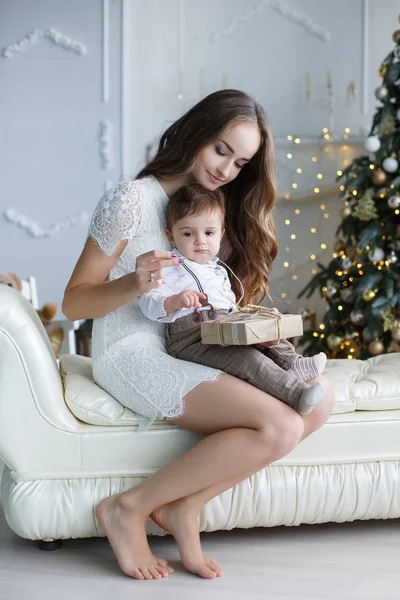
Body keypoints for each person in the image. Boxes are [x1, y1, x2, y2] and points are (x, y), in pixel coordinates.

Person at [62, 89, 335, 582]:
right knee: (281, 424)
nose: (227, 169)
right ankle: (129, 508)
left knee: (318, 402)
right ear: (196, 132)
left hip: (196, 342)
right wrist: (133, 282)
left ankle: (185, 506)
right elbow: (73, 301)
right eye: (221, 151)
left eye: (241, 162)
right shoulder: (131, 200)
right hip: (131, 350)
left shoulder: (212, 208)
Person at [139, 182, 327, 416]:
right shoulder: (169, 266)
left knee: (267, 334)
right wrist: (174, 301)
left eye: (209, 233)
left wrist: (251, 321)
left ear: (221, 234)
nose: (200, 241)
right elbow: (148, 302)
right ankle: (297, 394)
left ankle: (293, 363)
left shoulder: (217, 269)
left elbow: (229, 306)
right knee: (246, 359)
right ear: (171, 236)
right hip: (191, 337)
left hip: (223, 325)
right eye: (188, 233)